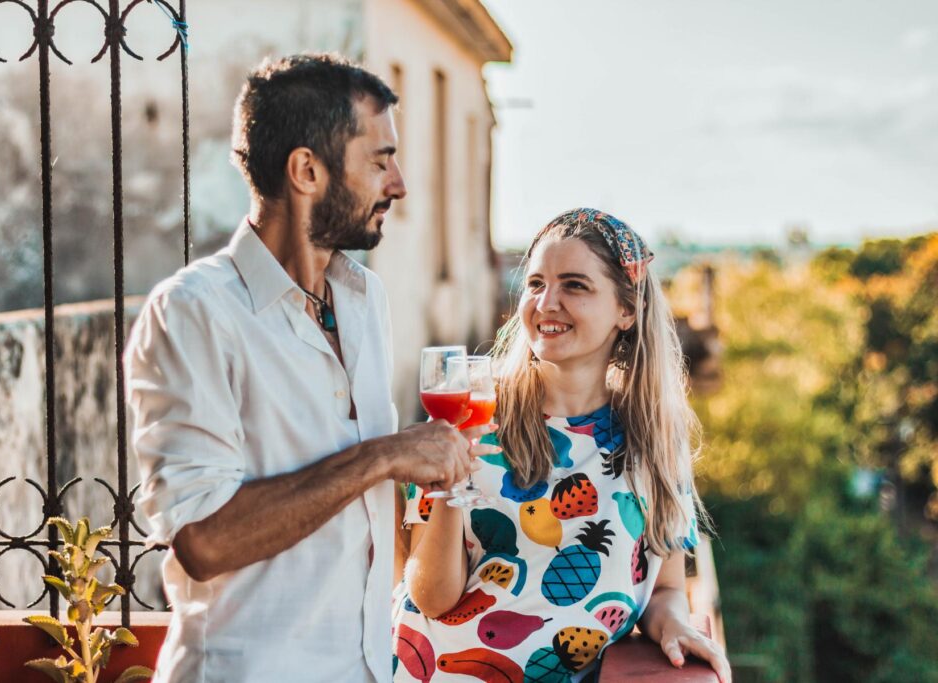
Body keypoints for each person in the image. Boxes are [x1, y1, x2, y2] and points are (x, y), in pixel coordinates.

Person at [125, 53, 496, 683]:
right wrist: (382, 456)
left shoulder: (364, 299)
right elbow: (204, 541)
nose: (400, 183)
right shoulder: (193, 311)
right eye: (380, 160)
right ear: (306, 170)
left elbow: (364, 524)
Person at [393, 209, 731, 683]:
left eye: (574, 285)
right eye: (535, 284)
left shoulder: (654, 440)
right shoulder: (468, 419)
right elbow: (430, 598)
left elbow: (665, 587)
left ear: (626, 310)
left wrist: (673, 623)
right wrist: (452, 480)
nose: (547, 302)